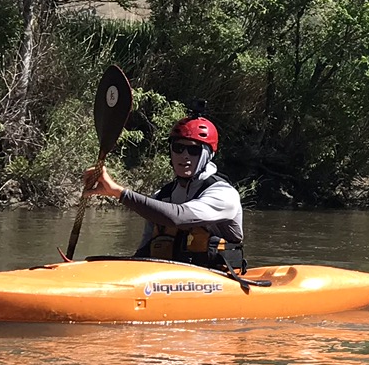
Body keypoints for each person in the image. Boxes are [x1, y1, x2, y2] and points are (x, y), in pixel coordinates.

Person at [83, 114, 247, 272]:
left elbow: (178, 217)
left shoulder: (223, 194)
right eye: (178, 148)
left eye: (194, 150)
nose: (184, 156)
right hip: (168, 285)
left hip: (218, 283)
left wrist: (118, 192)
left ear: (208, 155)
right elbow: (143, 254)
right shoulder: (162, 196)